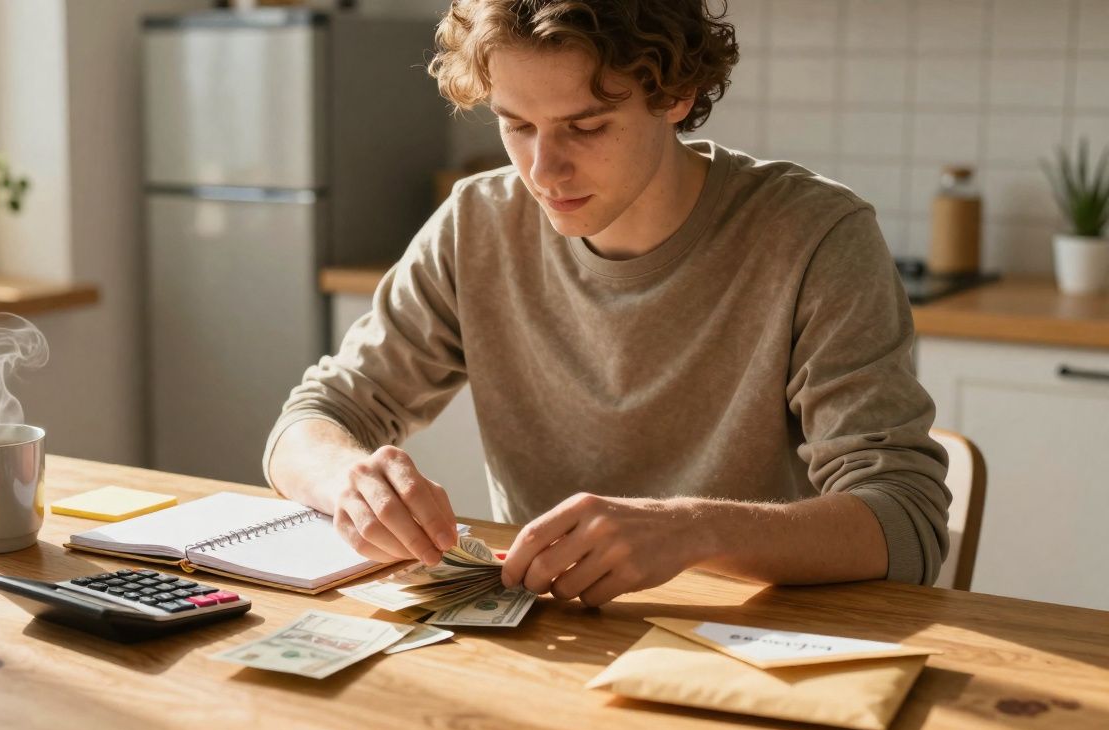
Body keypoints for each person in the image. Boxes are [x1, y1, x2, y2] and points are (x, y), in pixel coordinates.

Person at [263, 0, 950, 607]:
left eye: (586, 126)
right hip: (553, 640)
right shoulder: (477, 223)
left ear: (676, 94)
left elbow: (905, 520)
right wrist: (348, 479)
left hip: (754, 643)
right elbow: (313, 420)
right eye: (516, 125)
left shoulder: (814, 235)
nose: (543, 170)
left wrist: (691, 529)